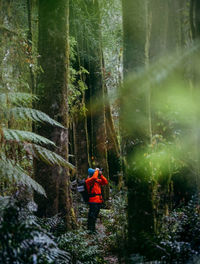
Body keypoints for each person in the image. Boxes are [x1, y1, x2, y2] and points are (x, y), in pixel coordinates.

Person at [85, 168, 108, 233]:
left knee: (95, 216)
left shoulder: (97, 181)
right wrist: (97, 170)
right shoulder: (88, 181)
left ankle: (93, 229)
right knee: (92, 216)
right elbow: (94, 177)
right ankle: (90, 229)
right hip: (93, 201)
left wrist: (101, 175)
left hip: (98, 201)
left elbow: (105, 182)